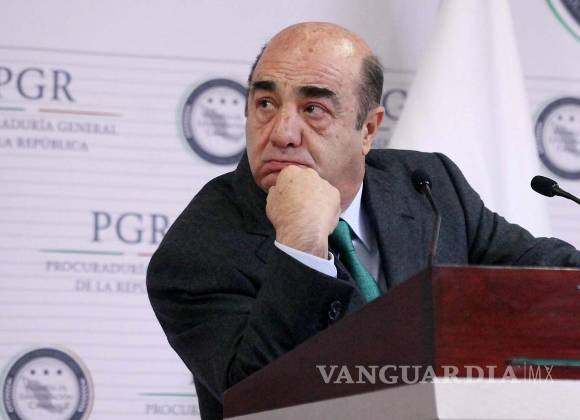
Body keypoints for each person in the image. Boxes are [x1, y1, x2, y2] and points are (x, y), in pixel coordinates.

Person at [146, 22, 580, 420]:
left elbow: (538, 271)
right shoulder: (197, 253)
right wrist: (300, 244)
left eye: (313, 109)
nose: (281, 133)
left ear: (368, 130)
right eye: (265, 103)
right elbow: (259, 398)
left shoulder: (428, 185)